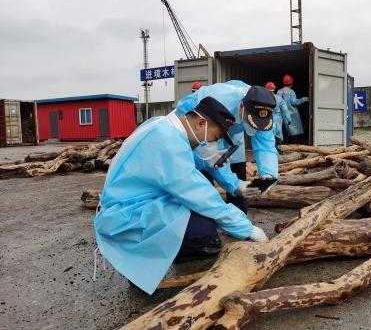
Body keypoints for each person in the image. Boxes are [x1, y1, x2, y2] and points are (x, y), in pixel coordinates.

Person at [94, 96, 268, 295]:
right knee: (203, 226)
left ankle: (174, 251)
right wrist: (246, 228)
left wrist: (238, 186)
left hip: (130, 204)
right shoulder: (169, 144)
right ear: (201, 123)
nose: (214, 144)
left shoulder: (164, 127)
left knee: (200, 217)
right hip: (124, 217)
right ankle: (148, 262)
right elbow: (200, 195)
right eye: (216, 138)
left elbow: (205, 166)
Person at [176, 80, 278, 214]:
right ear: (242, 106)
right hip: (201, 135)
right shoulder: (219, 99)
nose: (255, 127)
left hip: (234, 136)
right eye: (251, 121)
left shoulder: (263, 108)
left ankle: (240, 216)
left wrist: (268, 175)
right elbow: (211, 156)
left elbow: (266, 146)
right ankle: (204, 219)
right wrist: (234, 185)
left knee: (238, 178)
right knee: (204, 181)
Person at [277, 74, 309, 143]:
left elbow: (277, 102)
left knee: (283, 132)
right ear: (291, 83)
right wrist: (305, 99)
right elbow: (295, 102)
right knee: (293, 133)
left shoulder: (279, 91)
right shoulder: (291, 92)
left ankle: (283, 146)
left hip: (281, 115)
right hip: (292, 115)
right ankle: (293, 147)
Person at [265, 81, 292, 149]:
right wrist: (289, 120)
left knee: (267, 137)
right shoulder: (279, 99)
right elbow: (285, 110)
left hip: (266, 120)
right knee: (278, 136)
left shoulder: (263, 98)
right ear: (274, 89)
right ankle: (278, 152)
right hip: (277, 121)